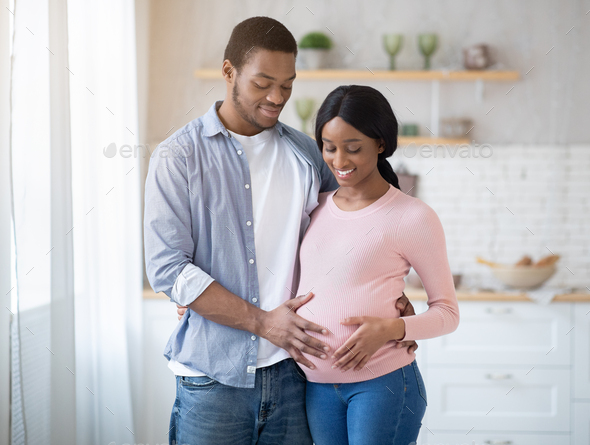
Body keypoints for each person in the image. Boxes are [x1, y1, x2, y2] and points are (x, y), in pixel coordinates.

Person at [144, 16, 418, 445]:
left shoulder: (307, 154)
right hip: (214, 381)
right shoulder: (178, 156)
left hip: (298, 377)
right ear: (229, 71)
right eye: (263, 83)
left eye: (287, 85)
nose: (277, 98)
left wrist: (391, 303)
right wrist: (262, 322)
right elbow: (167, 268)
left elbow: (352, 229)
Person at [295, 85, 461, 445]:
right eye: (330, 147)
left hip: (382, 384)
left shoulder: (412, 216)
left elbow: (448, 313)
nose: (340, 161)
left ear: (381, 143)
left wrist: (393, 328)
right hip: (317, 387)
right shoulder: (313, 206)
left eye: (353, 148)